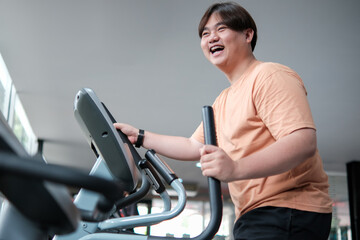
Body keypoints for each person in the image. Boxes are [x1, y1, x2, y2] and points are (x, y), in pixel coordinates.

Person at [114, 2, 333, 239]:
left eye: (221, 29)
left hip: (288, 209)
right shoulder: (224, 100)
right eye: (205, 33)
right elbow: (193, 146)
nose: (211, 38)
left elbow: (302, 142)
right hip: (254, 213)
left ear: (247, 34)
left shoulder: (269, 76)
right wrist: (141, 136)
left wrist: (235, 168)